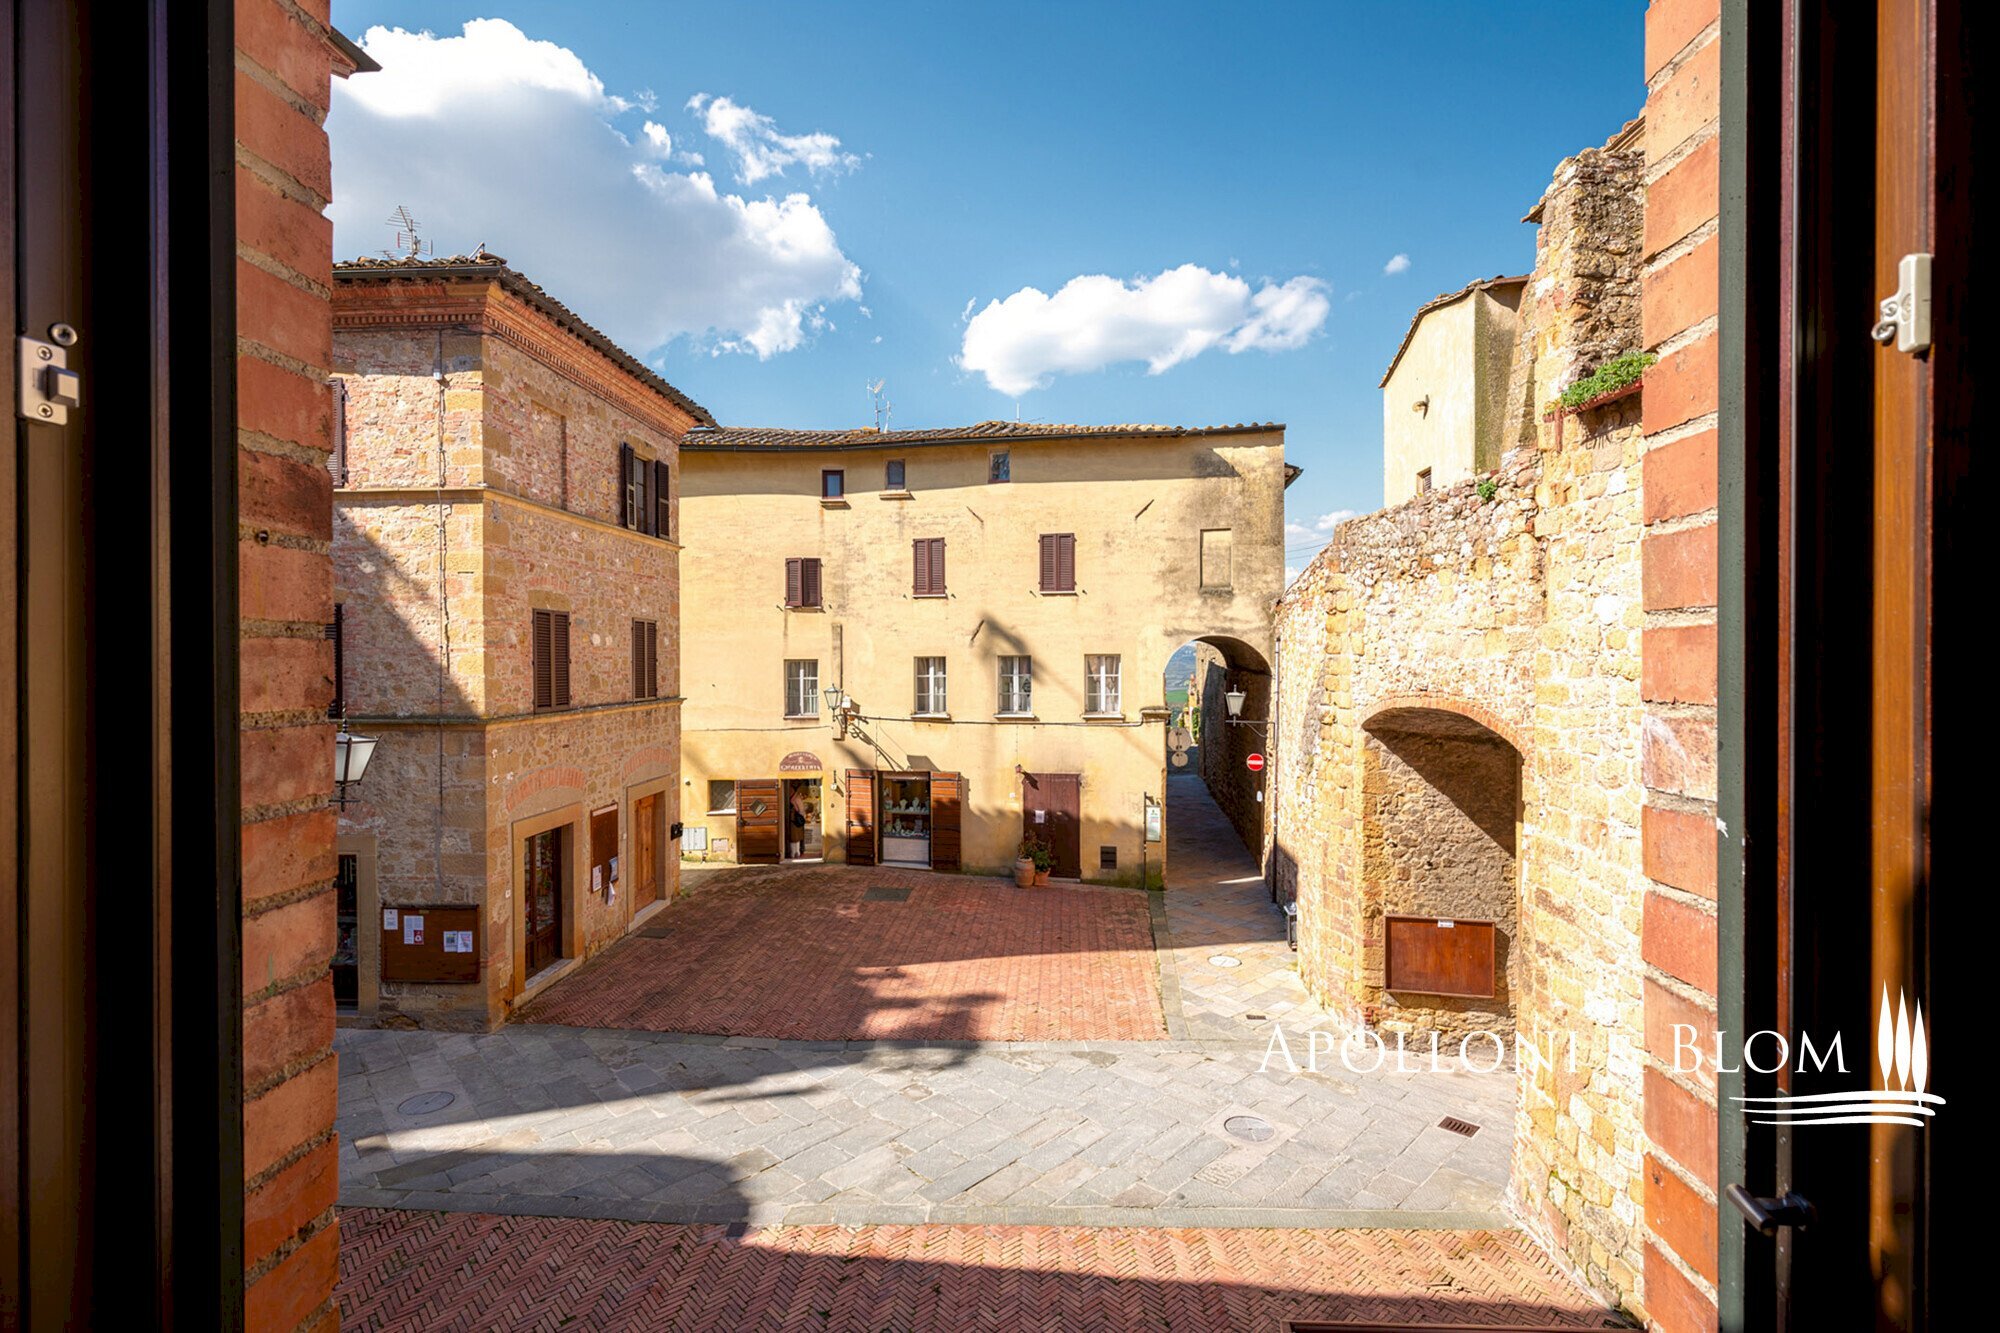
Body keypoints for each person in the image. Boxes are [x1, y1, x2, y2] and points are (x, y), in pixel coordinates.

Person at [789, 785, 808, 859]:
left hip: (796, 820)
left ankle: (795, 852)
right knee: (794, 837)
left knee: (795, 837)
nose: (789, 792)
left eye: (791, 790)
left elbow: (801, 810)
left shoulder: (796, 798)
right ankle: (795, 852)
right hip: (795, 820)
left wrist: (800, 817)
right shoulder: (794, 798)